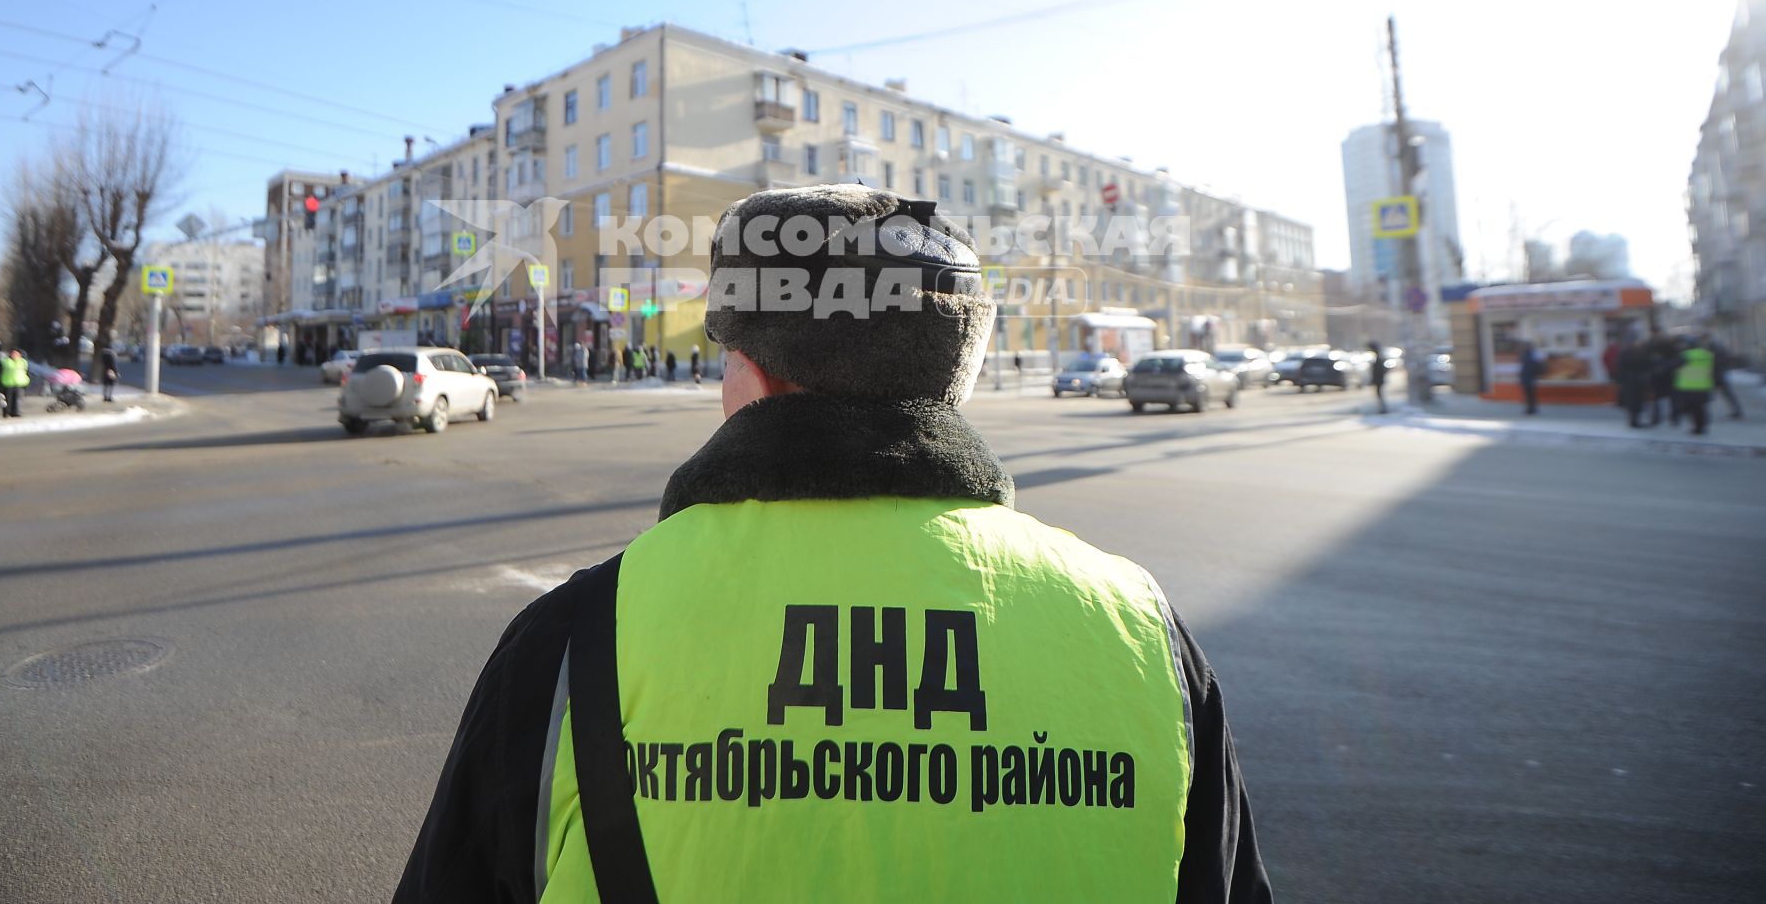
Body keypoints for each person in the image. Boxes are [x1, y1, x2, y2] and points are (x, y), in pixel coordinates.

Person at [393, 186, 1270, 904]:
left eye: (724, 355)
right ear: (950, 377)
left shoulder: (574, 638)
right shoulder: (1144, 638)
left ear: (757, 371)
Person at [1673, 337, 1715, 436]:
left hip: (1687, 385)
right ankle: (1702, 425)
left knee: (1690, 408)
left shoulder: (1685, 356)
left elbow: (1673, 366)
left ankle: (1697, 427)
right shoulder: (1707, 355)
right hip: (1703, 385)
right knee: (1700, 407)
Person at [1616, 339, 1651, 428]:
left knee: (1636, 402)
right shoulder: (1629, 354)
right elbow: (1621, 368)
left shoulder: (1637, 353)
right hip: (1632, 381)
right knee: (1633, 402)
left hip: (1635, 381)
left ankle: (1634, 420)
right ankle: (1633, 421)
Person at [1711, 340, 1745, 420]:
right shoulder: (1719, 349)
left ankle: (1737, 411)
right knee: (1728, 395)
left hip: (1716, 375)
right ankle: (1737, 411)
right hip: (1720, 375)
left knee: (1707, 396)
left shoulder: (1713, 350)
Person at [0, 347, 30, 418]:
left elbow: (27, 372)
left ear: (20, 355)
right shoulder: (5, 361)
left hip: (20, 384)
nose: (14, 355)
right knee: (8, 400)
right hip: (8, 383)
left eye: (16, 353)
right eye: (13, 353)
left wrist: (27, 381)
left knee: (18, 400)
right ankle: (7, 413)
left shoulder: (23, 362)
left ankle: (17, 412)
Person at [1517, 340, 1543, 415]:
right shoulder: (1527, 354)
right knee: (1529, 394)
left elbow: (1535, 366)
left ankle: (1531, 409)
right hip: (1528, 377)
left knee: (1530, 394)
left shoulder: (1531, 354)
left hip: (1530, 376)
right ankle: (1530, 408)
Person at [1367, 339, 1388, 413]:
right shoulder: (1379, 355)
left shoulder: (1378, 356)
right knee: (1379, 394)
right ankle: (1382, 408)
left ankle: (1383, 409)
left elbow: (1379, 369)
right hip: (1379, 378)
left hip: (1379, 378)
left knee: (1379, 394)